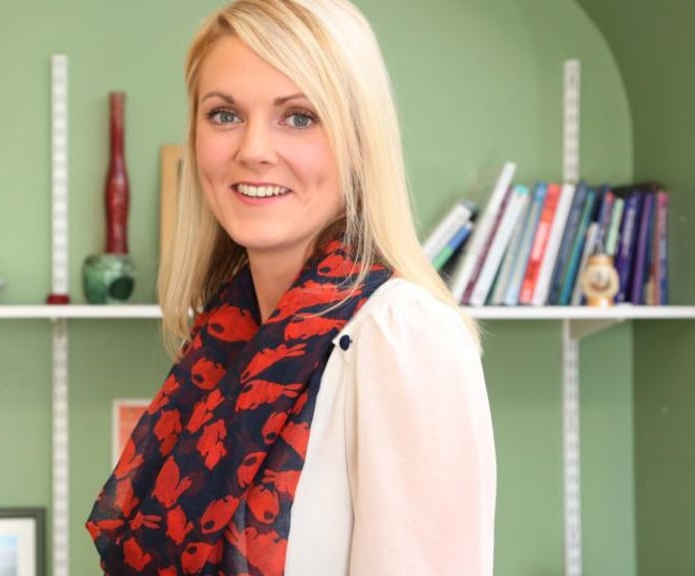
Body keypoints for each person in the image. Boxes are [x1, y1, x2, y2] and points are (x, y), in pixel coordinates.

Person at [87, 0, 497, 573]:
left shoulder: (400, 335)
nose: (252, 149)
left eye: (299, 117)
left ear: (358, 141)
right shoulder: (227, 336)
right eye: (224, 115)